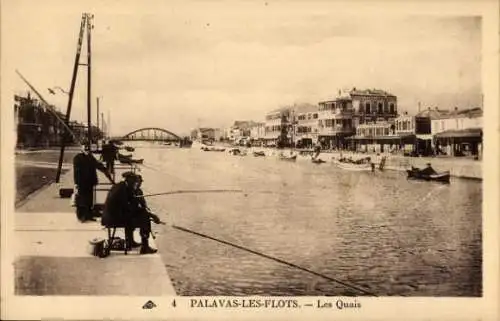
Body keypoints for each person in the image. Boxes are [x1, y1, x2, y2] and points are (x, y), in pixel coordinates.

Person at [101, 172, 160, 254]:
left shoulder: (122, 186)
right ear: (129, 180)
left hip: (112, 216)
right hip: (113, 218)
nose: (136, 184)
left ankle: (131, 241)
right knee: (144, 218)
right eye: (135, 182)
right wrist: (151, 215)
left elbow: (130, 205)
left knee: (140, 214)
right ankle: (145, 247)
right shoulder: (121, 190)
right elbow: (128, 208)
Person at [73, 143, 114, 222]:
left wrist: (107, 173)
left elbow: (99, 165)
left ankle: (89, 215)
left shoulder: (90, 157)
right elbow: (76, 172)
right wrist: (76, 183)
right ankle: (81, 216)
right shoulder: (77, 158)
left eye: (88, 149)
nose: (87, 150)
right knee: (81, 199)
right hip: (82, 182)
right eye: (85, 149)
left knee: (89, 199)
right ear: (81, 149)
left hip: (90, 182)